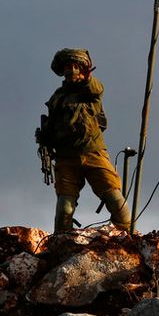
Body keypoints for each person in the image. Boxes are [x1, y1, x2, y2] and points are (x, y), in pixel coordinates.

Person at [37, 48, 130, 233]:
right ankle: (61, 245)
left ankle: (127, 241)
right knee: (64, 209)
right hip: (66, 159)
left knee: (118, 203)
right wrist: (44, 139)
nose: (71, 70)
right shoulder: (57, 98)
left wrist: (88, 79)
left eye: (75, 66)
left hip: (93, 153)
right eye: (68, 67)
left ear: (83, 69)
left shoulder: (90, 91)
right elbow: (52, 126)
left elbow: (96, 89)